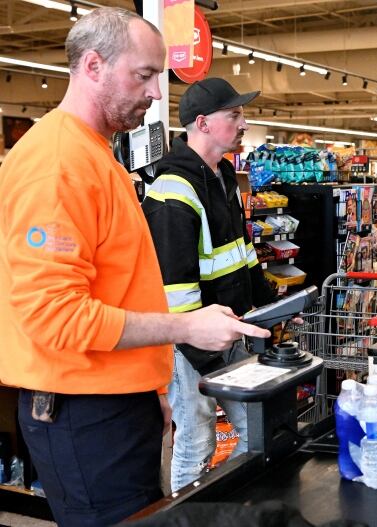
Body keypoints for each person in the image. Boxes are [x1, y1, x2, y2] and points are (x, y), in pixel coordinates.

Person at [0, 8, 267, 526]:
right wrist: (187, 326)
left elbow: (117, 286)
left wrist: (149, 389)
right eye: (143, 76)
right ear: (93, 66)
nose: (156, 93)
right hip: (83, 412)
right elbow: (57, 317)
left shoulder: (96, 156)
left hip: (114, 402)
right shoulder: (58, 164)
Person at [142, 78, 275, 491]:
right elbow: (174, 291)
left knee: (256, 428)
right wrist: (203, 354)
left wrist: (267, 306)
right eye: (234, 115)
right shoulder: (173, 189)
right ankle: (187, 515)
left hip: (229, 329)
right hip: (189, 341)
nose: (244, 123)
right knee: (196, 439)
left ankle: (218, 505)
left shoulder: (224, 178)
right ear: (202, 123)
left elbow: (242, 250)